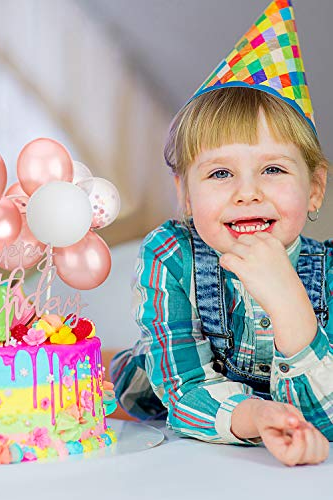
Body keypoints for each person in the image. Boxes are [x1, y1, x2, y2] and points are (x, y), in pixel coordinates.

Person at [110, 0, 332, 466]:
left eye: (272, 169)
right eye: (219, 174)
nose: (247, 193)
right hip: (147, 400)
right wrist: (254, 416)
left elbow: (327, 417)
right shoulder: (171, 255)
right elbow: (183, 389)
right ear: (185, 195)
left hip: (259, 417)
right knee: (107, 377)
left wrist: (290, 302)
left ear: (314, 188)